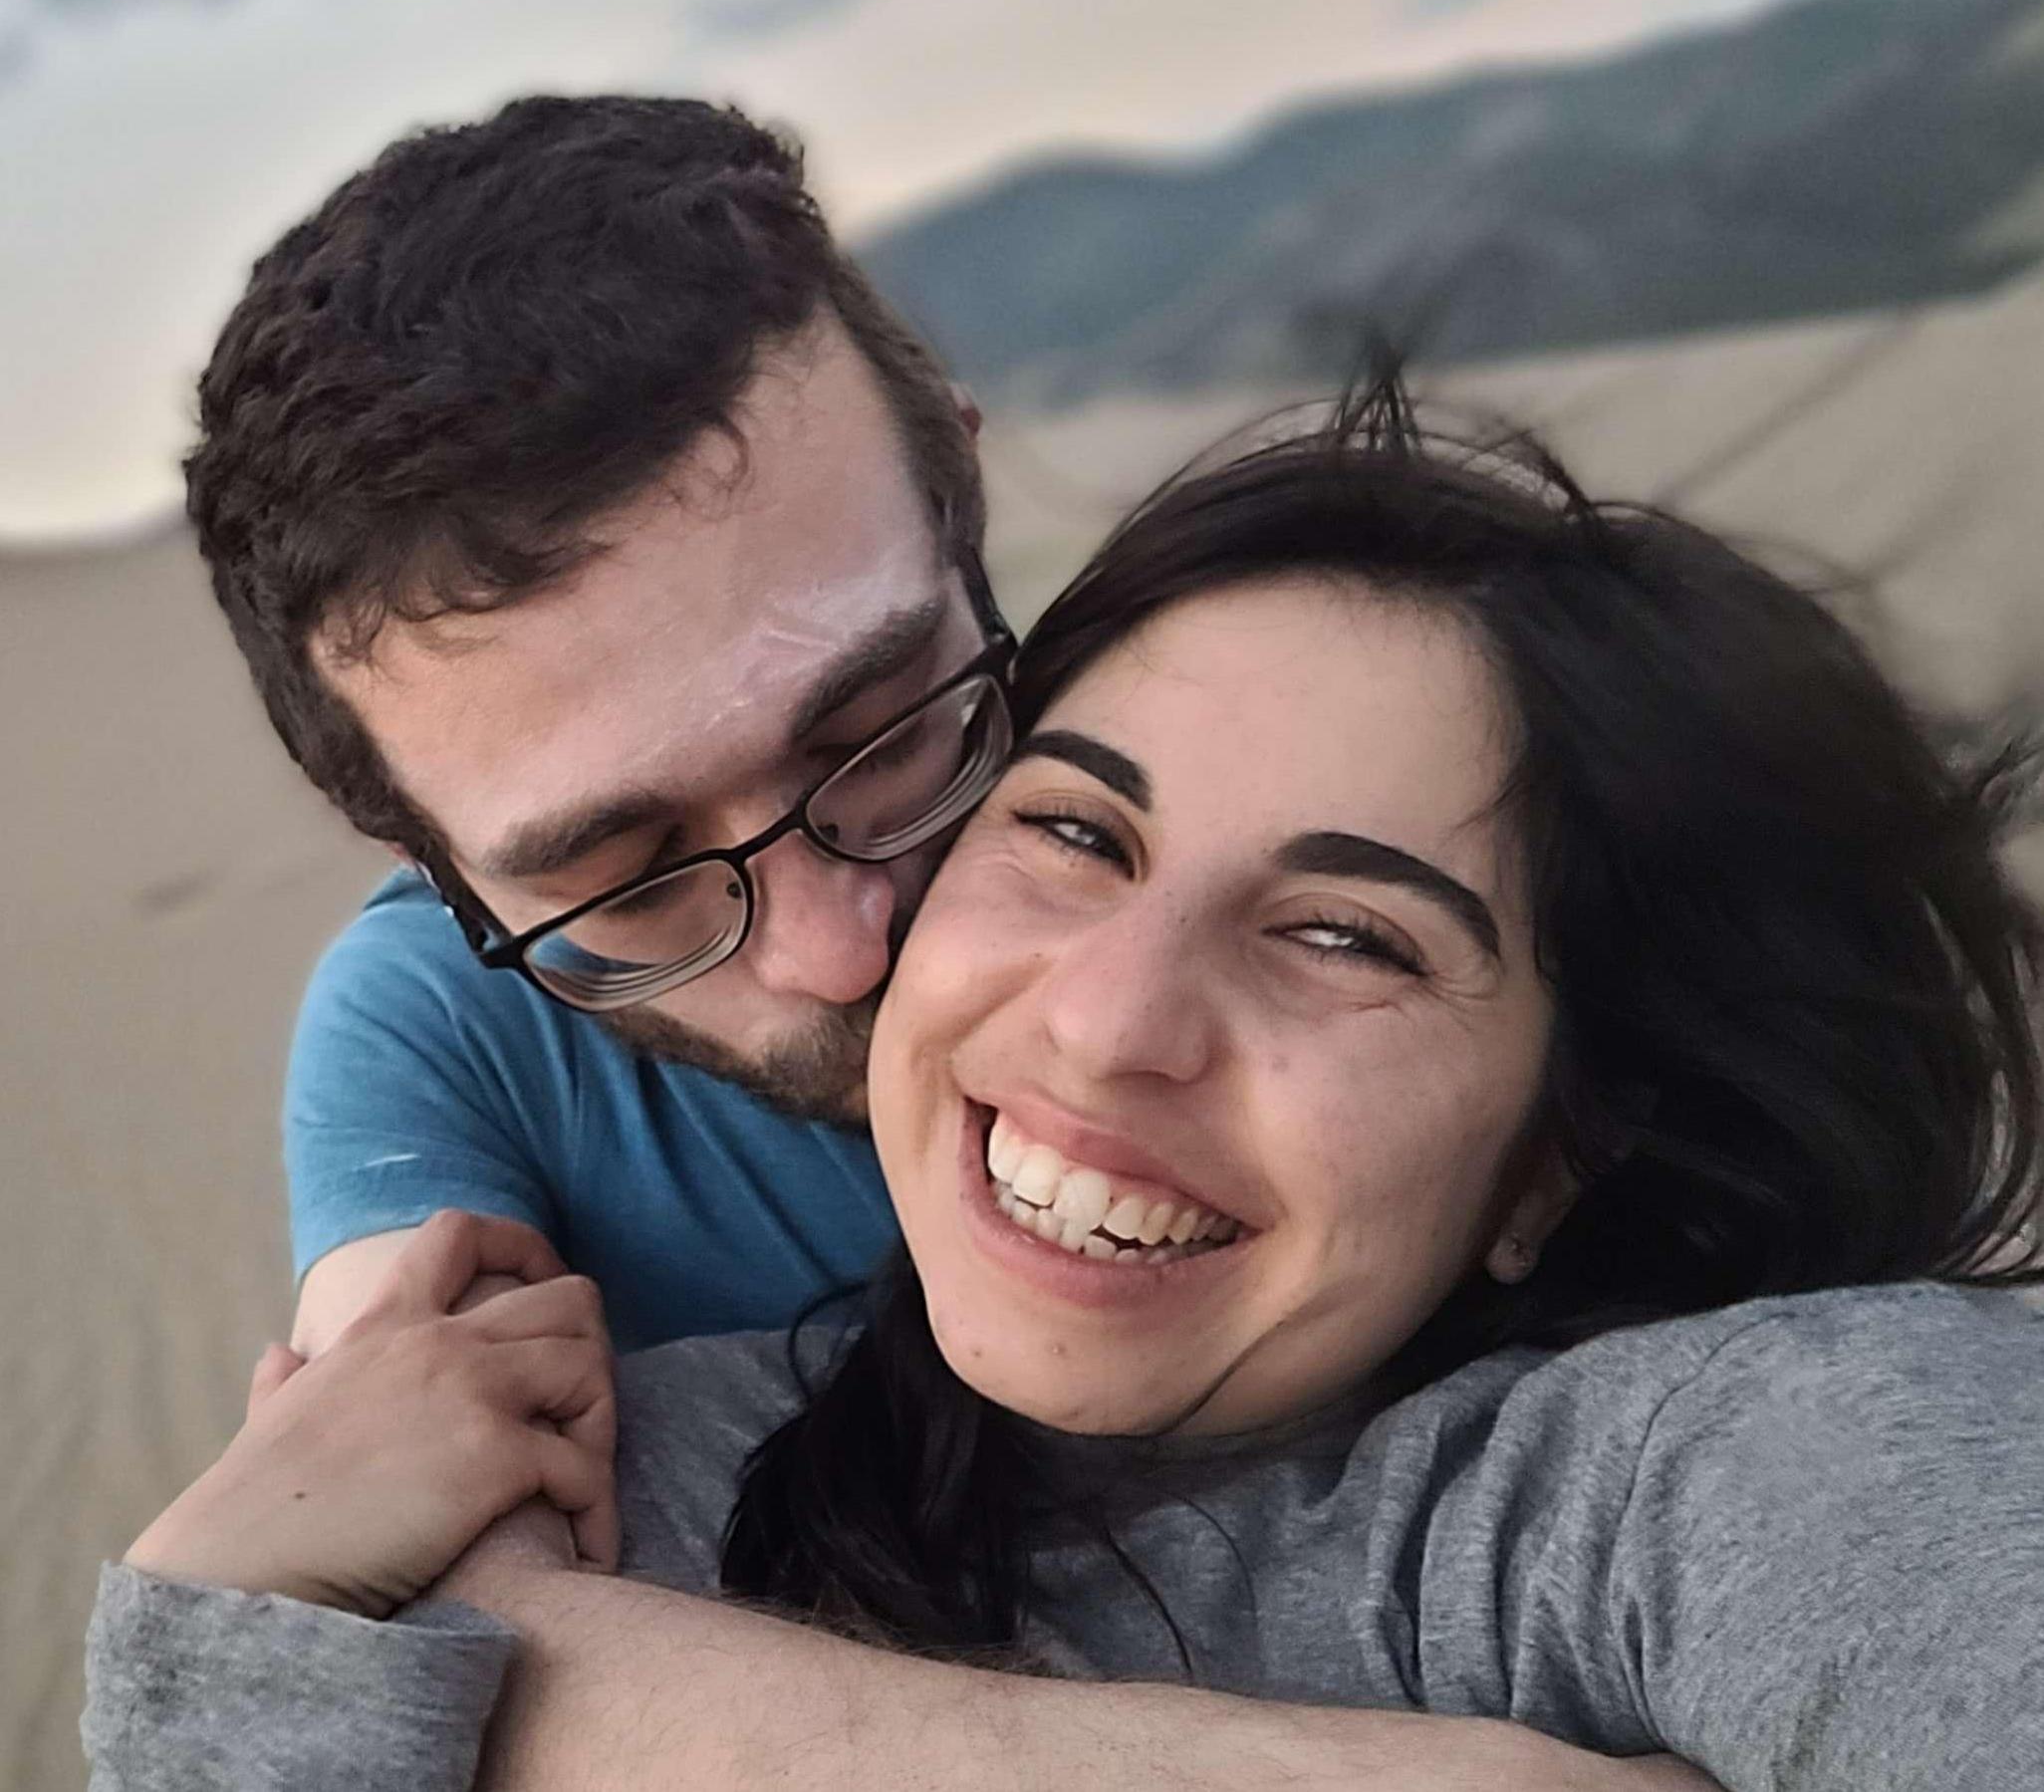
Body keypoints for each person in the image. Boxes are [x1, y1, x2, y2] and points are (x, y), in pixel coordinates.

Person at [92, 384, 2044, 1789]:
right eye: (1082, 838)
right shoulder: (663, 1479)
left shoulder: (1743, 1463)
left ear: (1562, 1143)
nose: (1110, 1026)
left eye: (1352, 935)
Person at [187, 92, 998, 1355]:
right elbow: (407, 1458)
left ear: (965, 499)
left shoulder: (1227, 756)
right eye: (631, 878)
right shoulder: (447, 1031)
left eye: (884, 738)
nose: (838, 953)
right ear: (424, 859)